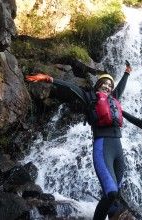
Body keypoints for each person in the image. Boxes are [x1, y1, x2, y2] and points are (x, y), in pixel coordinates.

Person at [25, 62, 132, 220]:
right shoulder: (89, 97)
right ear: (98, 86)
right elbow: (70, 87)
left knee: (116, 193)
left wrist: (127, 73)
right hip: (103, 147)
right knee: (111, 192)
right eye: (105, 84)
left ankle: (112, 214)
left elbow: (121, 87)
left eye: (110, 85)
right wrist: (49, 79)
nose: (108, 87)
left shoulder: (113, 99)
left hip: (118, 149)